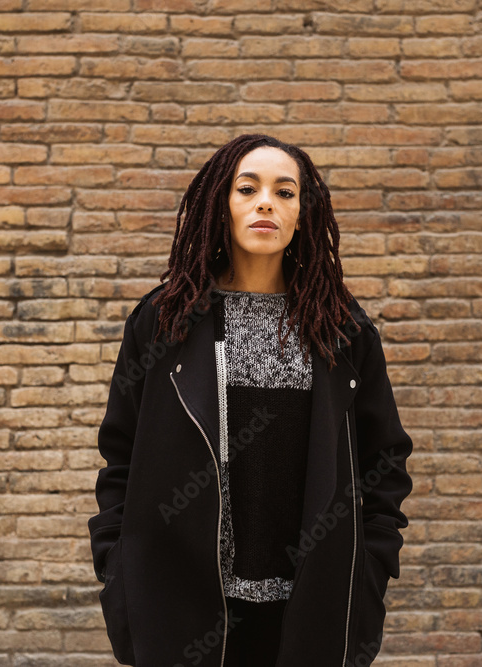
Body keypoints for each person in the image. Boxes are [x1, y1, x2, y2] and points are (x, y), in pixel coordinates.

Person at [88, 133, 413, 667]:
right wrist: (119, 566)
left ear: (304, 216)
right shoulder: (165, 323)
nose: (267, 202)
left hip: (308, 612)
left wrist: (370, 569)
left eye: (286, 193)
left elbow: (386, 463)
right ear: (223, 205)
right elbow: (121, 454)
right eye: (247, 188)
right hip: (187, 609)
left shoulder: (343, 332)